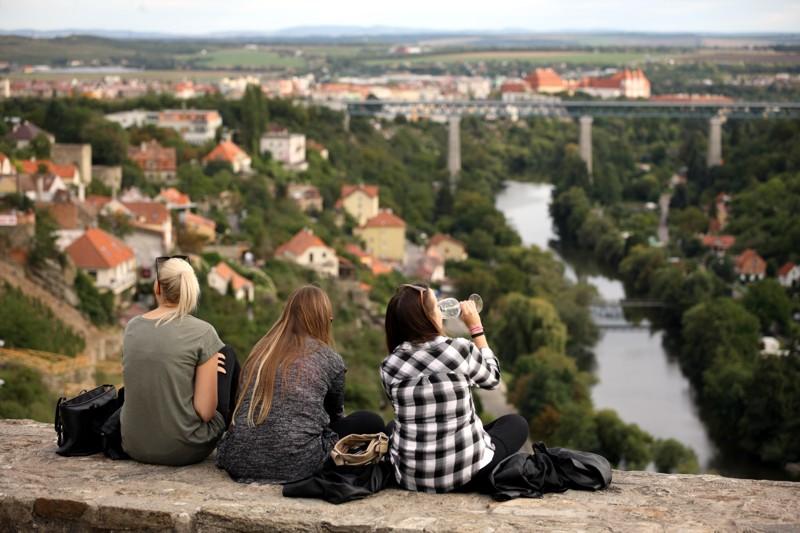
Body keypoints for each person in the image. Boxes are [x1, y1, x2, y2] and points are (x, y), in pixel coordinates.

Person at [217, 285, 385, 483]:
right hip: (298, 463)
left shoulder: (260, 352)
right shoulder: (330, 359)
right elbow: (335, 415)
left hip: (238, 460)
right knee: (371, 421)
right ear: (323, 320)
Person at [380, 284, 529, 494]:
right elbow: (492, 379)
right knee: (516, 423)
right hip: (469, 475)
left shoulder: (389, 366)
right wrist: (476, 328)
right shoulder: (460, 349)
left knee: (390, 427)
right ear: (428, 316)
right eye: (435, 306)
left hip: (412, 479)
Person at [121, 256, 239, 466]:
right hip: (181, 448)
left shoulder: (132, 327)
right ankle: (239, 441)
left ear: (157, 287)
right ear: (191, 290)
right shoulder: (203, 333)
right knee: (227, 356)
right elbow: (205, 412)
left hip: (133, 444)